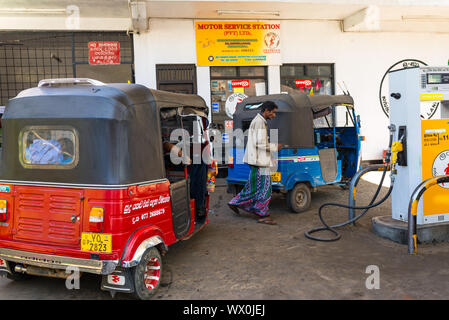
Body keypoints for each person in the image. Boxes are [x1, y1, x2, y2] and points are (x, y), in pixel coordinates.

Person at [228, 101, 282, 225]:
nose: (274, 115)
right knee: (265, 188)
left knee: (254, 186)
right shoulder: (259, 122)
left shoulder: (259, 121)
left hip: (258, 161)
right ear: (266, 111)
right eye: (273, 112)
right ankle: (262, 214)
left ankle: (235, 202)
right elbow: (260, 143)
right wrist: (275, 147)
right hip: (259, 162)